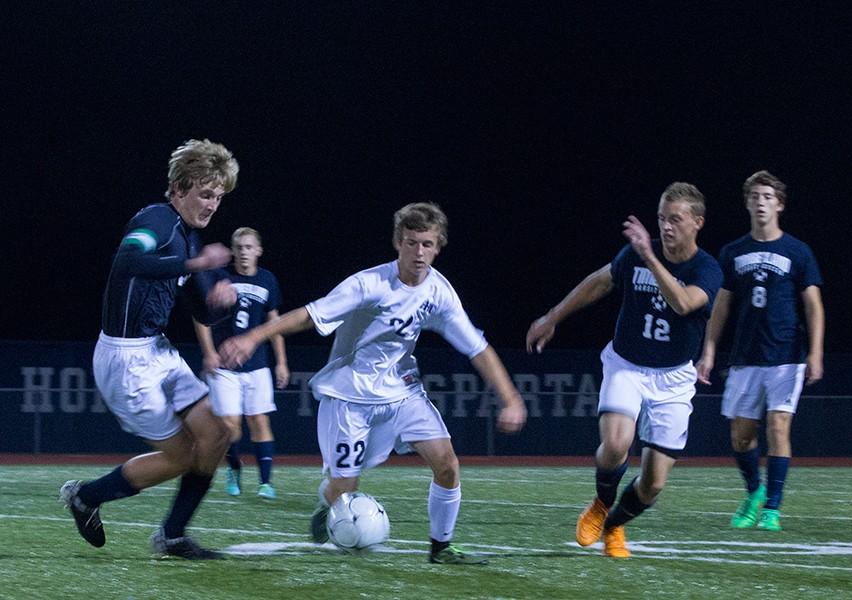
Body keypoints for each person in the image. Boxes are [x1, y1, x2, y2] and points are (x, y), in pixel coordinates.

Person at [219, 202, 527, 564]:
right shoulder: (369, 284)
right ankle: (327, 503)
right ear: (398, 242)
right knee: (344, 488)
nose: (419, 252)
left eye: (427, 244)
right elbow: (309, 316)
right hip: (349, 398)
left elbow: (477, 348)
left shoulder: (440, 293)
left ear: (438, 246)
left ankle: (441, 548)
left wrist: (510, 398)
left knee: (447, 463)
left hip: (403, 394)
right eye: (411, 242)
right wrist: (254, 337)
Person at [59, 139, 240, 559]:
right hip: (125, 359)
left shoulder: (190, 238)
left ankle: (172, 537)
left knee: (216, 433)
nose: (212, 204)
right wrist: (197, 267)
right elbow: (126, 260)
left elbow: (202, 310)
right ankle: (86, 497)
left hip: (157, 352)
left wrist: (221, 301)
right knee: (181, 455)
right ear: (178, 189)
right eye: (204, 193)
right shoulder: (157, 220)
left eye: (217, 196)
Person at [527, 182, 722, 558]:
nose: (666, 226)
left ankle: (615, 524)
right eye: (662, 218)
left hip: (674, 378)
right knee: (616, 444)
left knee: (653, 484)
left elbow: (683, 304)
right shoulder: (636, 255)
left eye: (676, 220)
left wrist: (649, 257)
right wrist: (553, 317)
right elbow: (600, 282)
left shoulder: (706, 268)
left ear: (698, 222)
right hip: (627, 365)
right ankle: (601, 504)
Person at [697, 170, 824, 532]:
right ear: (747, 203)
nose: (761, 202)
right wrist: (708, 350)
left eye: (768, 196)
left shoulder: (798, 251)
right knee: (741, 434)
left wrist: (815, 352)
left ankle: (772, 507)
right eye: (755, 196)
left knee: (778, 426)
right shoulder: (733, 252)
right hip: (745, 356)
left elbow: (813, 305)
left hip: (787, 355)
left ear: (780, 204)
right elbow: (720, 306)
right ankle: (754, 491)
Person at [193, 227, 290, 500]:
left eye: (249, 247)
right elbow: (201, 317)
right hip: (224, 367)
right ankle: (234, 468)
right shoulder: (220, 278)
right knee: (230, 426)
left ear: (258, 251)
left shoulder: (267, 280)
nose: (244, 252)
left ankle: (265, 483)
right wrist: (209, 352)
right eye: (239, 247)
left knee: (259, 420)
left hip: (257, 364)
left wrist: (281, 362)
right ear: (233, 251)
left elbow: (275, 323)